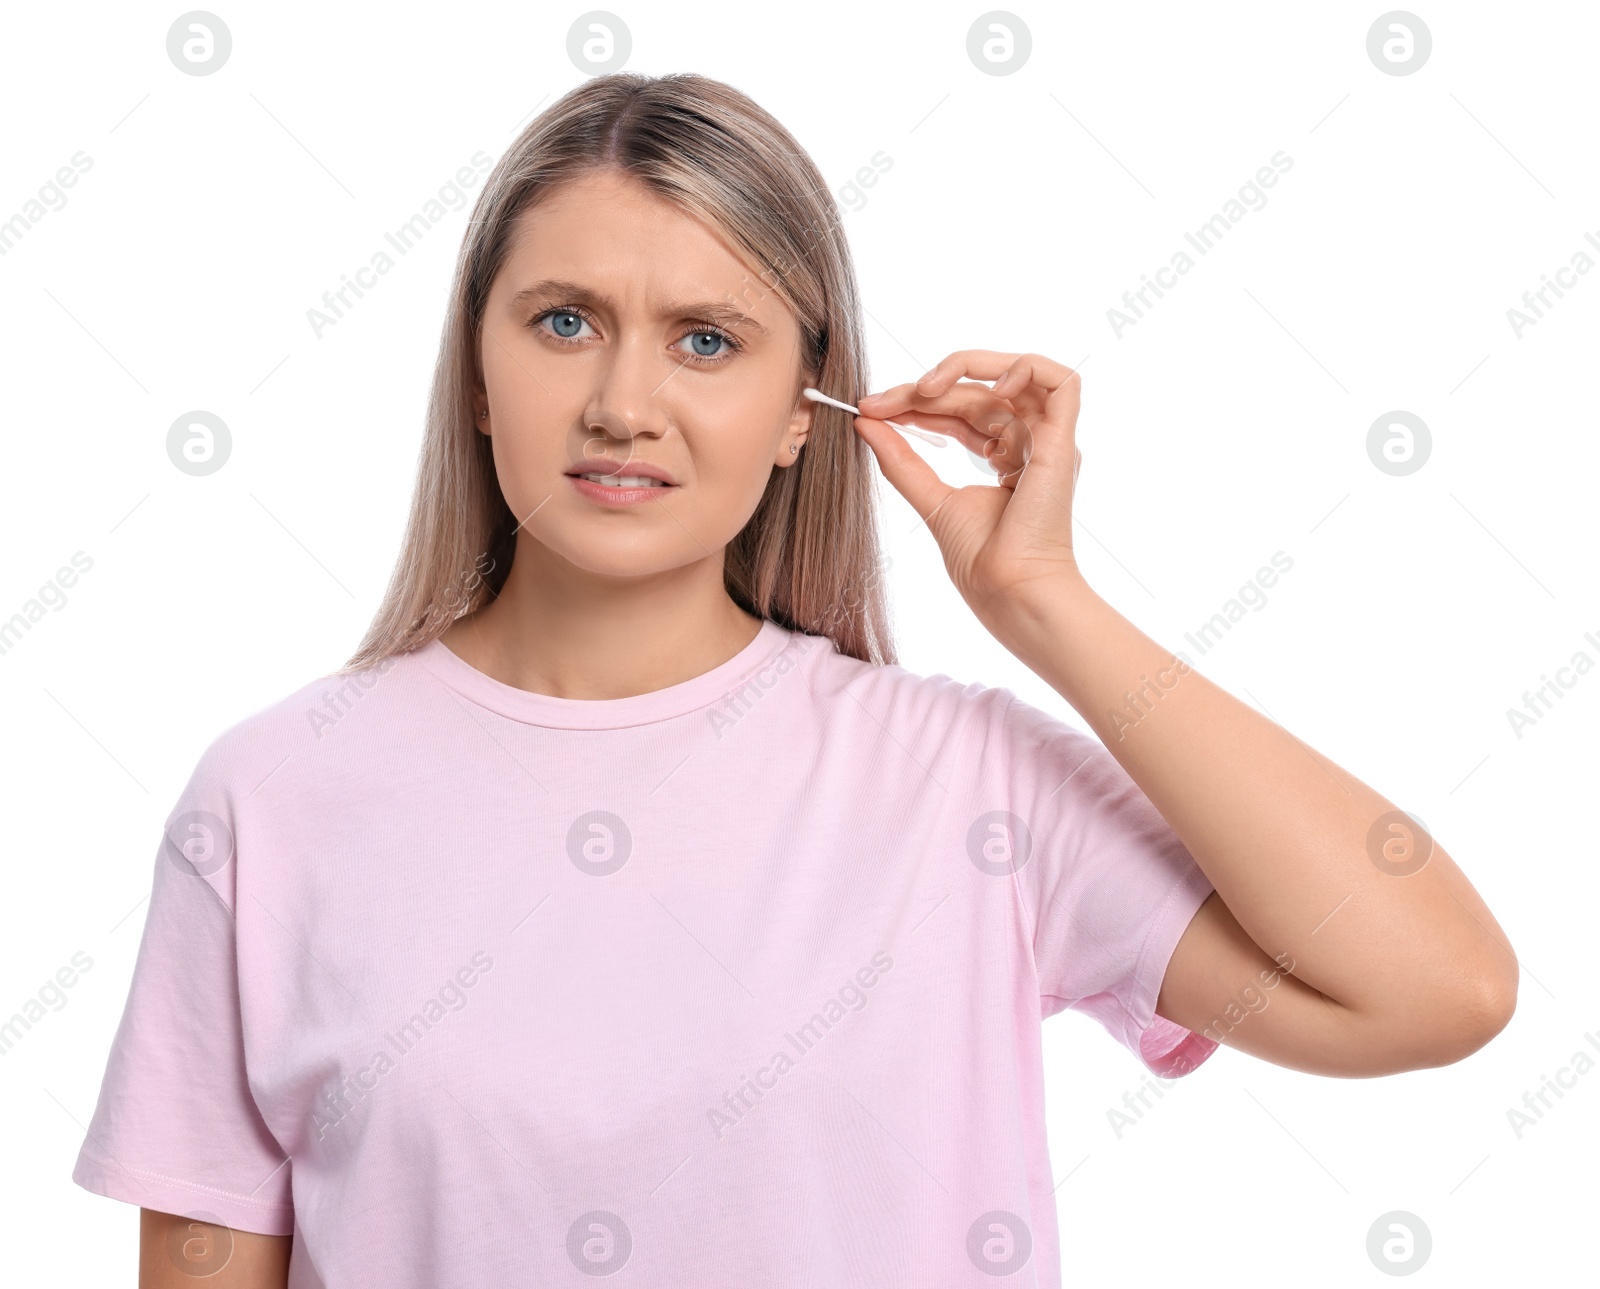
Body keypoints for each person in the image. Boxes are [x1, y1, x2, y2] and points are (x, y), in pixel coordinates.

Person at [71, 72, 1517, 1288]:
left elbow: (1435, 986)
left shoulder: (965, 782)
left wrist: (1043, 600)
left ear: (797, 414)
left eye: (709, 341)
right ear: (475, 368)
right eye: (564, 321)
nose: (623, 402)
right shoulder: (273, 797)